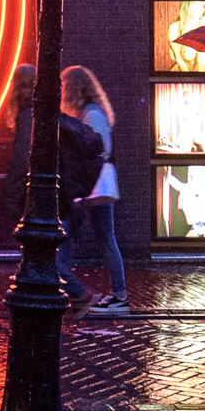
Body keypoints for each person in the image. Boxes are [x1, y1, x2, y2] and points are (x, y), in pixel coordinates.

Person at [57, 65, 128, 314]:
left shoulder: (91, 113)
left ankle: (120, 296)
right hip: (94, 184)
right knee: (104, 239)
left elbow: (101, 149)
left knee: (107, 239)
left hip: (97, 185)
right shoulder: (90, 111)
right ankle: (117, 294)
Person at [0, 65, 36, 224]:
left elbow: (23, 154)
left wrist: (11, 191)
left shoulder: (27, 111)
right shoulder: (36, 108)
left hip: (27, 184)